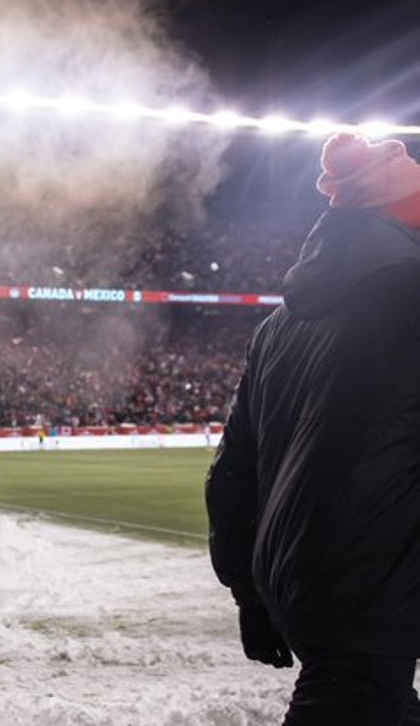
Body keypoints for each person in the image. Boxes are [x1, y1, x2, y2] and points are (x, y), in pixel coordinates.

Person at [207, 133, 420, 725]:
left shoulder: (277, 327)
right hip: (369, 594)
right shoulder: (409, 292)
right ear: (402, 210)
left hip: (300, 587)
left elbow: (231, 474)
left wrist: (248, 594)